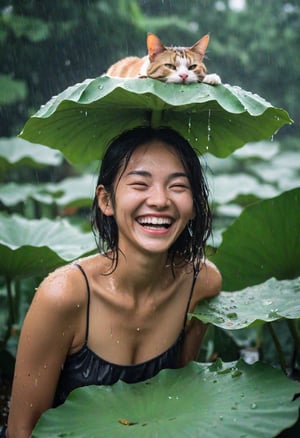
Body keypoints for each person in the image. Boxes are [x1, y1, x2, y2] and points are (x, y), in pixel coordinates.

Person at [6, 126, 221, 437]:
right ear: (106, 201)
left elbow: (177, 407)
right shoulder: (64, 295)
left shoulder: (202, 284)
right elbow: (21, 430)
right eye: (139, 184)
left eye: (178, 186)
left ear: (194, 204)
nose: (160, 200)